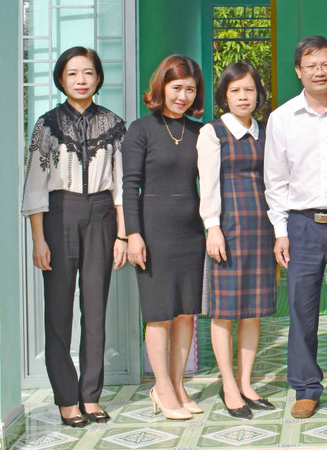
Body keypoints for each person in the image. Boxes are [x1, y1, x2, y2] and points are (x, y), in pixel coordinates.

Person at [21, 47, 128, 427]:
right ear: (61, 78)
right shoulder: (47, 124)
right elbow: (35, 187)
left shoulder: (115, 124)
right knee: (59, 313)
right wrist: (39, 239)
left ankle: (90, 396)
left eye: (88, 73)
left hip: (102, 216)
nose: (81, 80)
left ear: (98, 78)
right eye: (72, 73)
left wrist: (123, 236)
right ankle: (67, 399)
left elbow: (120, 187)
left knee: (96, 311)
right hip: (58, 215)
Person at [265, 36, 327, 419]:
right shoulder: (283, 117)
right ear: (298, 71)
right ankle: (305, 387)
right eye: (311, 65)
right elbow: (275, 179)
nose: (319, 72)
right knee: (302, 311)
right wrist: (280, 231)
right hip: (302, 224)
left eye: (326, 64)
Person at [123, 55, 205, 420]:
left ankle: (178, 383)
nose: (183, 96)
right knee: (159, 315)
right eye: (177, 88)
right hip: (153, 232)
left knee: (186, 313)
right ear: (162, 87)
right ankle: (161, 387)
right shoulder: (141, 129)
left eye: (190, 89)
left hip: (191, 233)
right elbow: (129, 187)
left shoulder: (200, 133)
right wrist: (132, 234)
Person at [197, 62, 277, 419]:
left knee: (253, 310)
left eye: (249, 89)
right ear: (224, 96)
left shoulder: (266, 131)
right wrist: (212, 226)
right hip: (228, 228)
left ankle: (246, 382)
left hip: (261, 226)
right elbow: (208, 184)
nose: (243, 96)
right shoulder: (212, 132)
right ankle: (228, 384)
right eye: (235, 90)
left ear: (258, 94)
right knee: (224, 310)